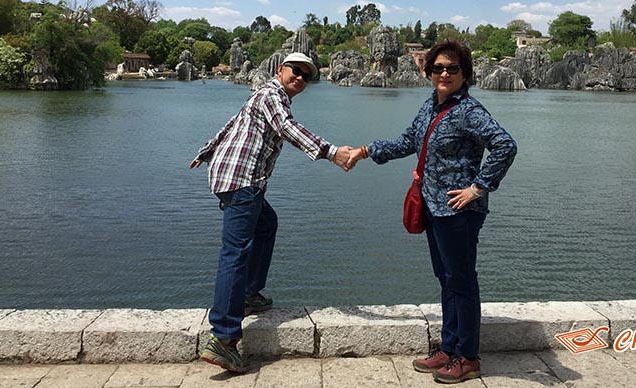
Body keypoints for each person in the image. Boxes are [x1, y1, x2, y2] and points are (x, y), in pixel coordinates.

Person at [347, 40, 517, 384]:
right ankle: (449, 346)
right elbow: (407, 141)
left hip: (459, 211)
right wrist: (366, 151)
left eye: (452, 68)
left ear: (464, 73)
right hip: (434, 208)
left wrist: (478, 187)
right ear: (429, 72)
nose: (444, 73)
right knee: (447, 279)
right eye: (438, 68)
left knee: (463, 282)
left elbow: (505, 144)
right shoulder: (430, 107)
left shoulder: (468, 110)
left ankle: (468, 357)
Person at [189, 52, 352, 374]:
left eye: (308, 76)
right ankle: (223, 338)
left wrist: (206, 152)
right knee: (234, 252)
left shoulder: (261, 95)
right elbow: (286, 127)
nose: (301, 78)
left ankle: (249, 294)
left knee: (266, 225)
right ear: (281, 70)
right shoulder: (272, 95)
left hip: (235, 180)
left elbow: (232, 124)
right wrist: (331, 152)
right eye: (296, 71)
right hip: (242, 181)